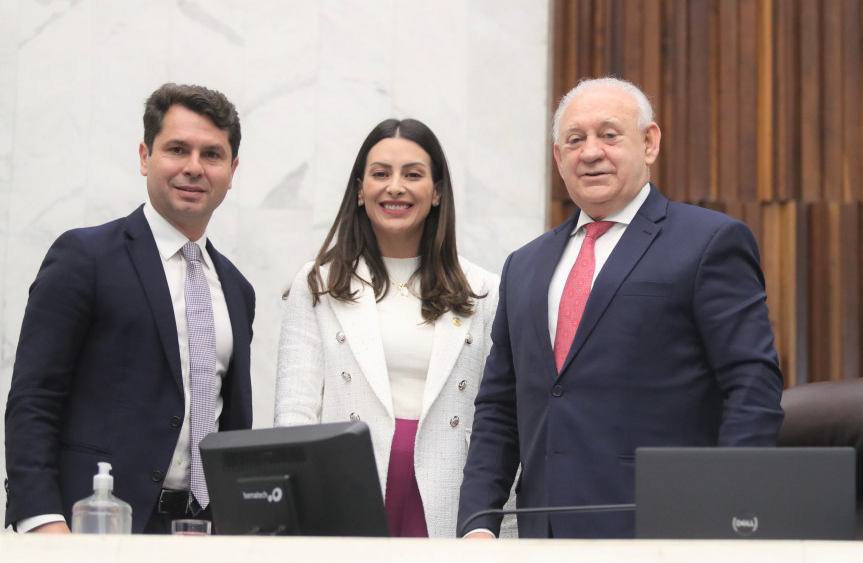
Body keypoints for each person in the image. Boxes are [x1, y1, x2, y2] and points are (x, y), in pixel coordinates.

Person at [457, 77, 785, 539]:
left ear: (649, 143)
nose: (590, 152)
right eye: (575, 140)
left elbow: (752, 388)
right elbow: (498, 406)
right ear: (558, 157)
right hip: (541, 533)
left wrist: (728, 516)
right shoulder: (524, 266)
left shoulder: (709, 243)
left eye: (609, 135)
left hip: (666, 531)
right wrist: (477, 521)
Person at [4, 83, 255, 534]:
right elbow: (34, 398)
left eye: (212, 155)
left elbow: (231, 424)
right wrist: (42, 521)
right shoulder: (85, 257)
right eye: (177, 149)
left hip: (203, 532)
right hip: (93, 525)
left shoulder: (237, 290)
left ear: (232, 170)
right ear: (145, 157)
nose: (193, 167)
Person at [275, 118, 515, 538]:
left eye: (413, 174)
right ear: (360, 190)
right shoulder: (319, 283)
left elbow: (500, 420)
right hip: (344, 487)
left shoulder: (484, 291)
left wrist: (497, 525)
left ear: (437, 191)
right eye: (381, 173)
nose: (395, 187)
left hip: (446, 492)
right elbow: (295, 414)